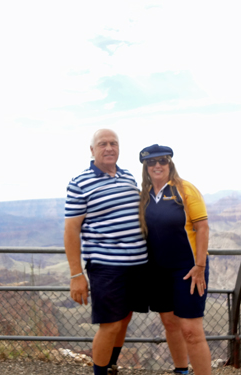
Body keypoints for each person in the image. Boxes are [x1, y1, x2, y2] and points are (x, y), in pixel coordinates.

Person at [64, 129, 149, 375]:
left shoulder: (128, 177)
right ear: (92, 150)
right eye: (103, 144)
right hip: (106, 266)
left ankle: (111, 365)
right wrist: (76, 274)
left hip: (137, 264)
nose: (109, 148)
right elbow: (71, 230)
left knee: (124, 319)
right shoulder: (80, 182)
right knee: (110, 324)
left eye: (114, 143)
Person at [138, 144, 211, 375]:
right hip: (157, 271)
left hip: (187, 270)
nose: (157, 165)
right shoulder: (145, 196)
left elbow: (203, 228)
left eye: (163, 160)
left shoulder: (185, 189)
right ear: (145, 167)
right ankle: (181, 370)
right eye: (151, 162)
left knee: (191, 330)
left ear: (170, 163)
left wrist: (200, 266)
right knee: (170, 324)